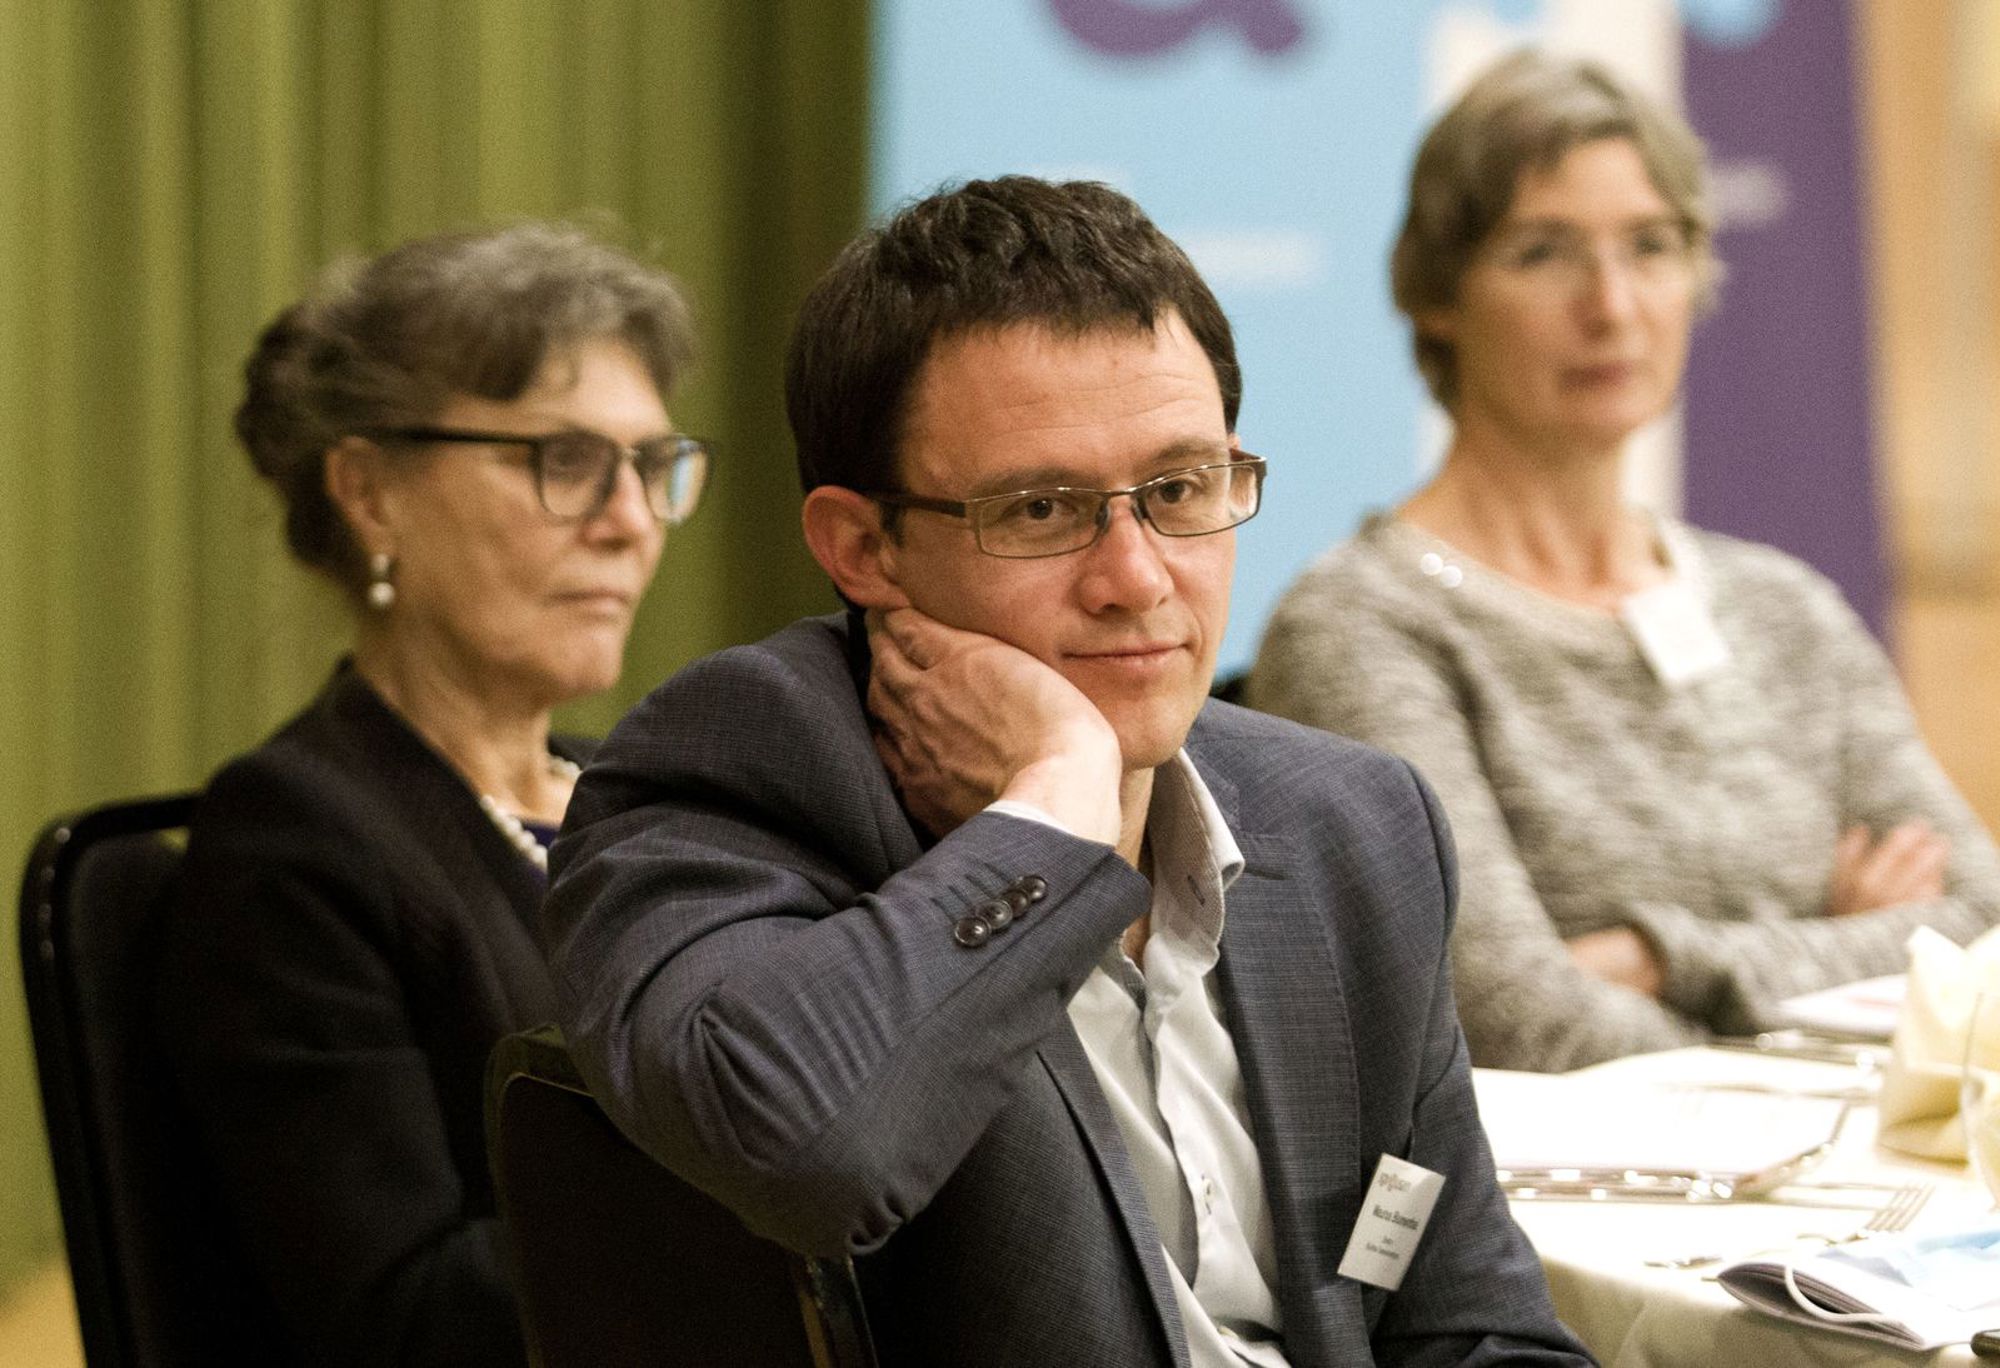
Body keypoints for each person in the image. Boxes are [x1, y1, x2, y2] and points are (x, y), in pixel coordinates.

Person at [542, 177, 1590, 1367]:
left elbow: (1472, 1326)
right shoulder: (742, 769)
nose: (1136, 579)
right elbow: (803, 1149)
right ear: (863, 547)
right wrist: (1052, 808)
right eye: (1041, 509)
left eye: (1179, 490)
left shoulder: (1351, 820)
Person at [1247, 50, 2000, 1073]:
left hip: (1845, 1173)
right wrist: (1840, 966)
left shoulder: (1782, 608)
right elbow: (1516, 1025)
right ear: (1437, 294)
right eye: (1543, 253)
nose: (1611, 305)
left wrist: (1656, 958)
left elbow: (1981, 934)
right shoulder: (1361, 626)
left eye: (1650, 246)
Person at [157, 223, 708, 1366]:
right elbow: (409, 1322)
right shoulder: (294, 842)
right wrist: (776, 1163)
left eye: (653, 464)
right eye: (565, 460)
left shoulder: (645, 799)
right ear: (371, 494)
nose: (629, 520)